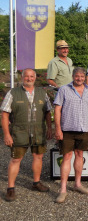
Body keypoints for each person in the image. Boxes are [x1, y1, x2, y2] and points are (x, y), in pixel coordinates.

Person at [1, 69, 53, 202]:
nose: (29, 79)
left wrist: (49, 128)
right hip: (19, 132)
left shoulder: (42, 93)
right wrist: (6, 134)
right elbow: (5, 114)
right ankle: (11, 188)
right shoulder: (13, 93)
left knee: (38, 157)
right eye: (26, 76)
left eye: (31, 76)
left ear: (35, 78)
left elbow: (48, 112)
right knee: (15, 159)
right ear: (22, 77)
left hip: (38, 132)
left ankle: (36, 183)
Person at [54, 67, 88, 203]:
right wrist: (58, 129)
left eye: (82, 76)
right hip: (67, 129)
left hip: (83, 128)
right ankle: (63, 189)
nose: (79, 78)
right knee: (67, 157)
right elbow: (57, 109)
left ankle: (77, 184)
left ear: (85, 77)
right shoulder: (64, 90)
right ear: (73, 76)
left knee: (80, 155)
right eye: (77, 76)